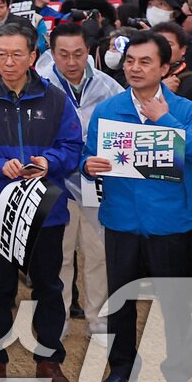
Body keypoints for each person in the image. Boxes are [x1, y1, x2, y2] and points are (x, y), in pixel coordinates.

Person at [82, 31, 192, 382]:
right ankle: (121, 368)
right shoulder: (110, 109)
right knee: (120, 301)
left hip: (170, 224)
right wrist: (87, 164)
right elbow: (88, 153)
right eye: (130, 61)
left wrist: (166, 119)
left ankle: (176, 369)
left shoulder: (186, 110)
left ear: (165, 67)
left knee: (174, 303)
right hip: (121, 220)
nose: (135, 68)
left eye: (145, 62)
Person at [0, 22, 82, 382]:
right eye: (2, 54)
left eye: (17, 54)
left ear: (31, 56)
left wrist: (48, 161)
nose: (9, 62)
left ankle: (49, 358)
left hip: (45, 209)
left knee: (49, 285)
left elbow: (73, 147)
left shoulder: (55, 99)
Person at [36, 20, 124, 338]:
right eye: (64, 54)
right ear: (52, 53)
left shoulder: (108, 86)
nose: (72, 62)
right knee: (57, 253)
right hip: (53, 183)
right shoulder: (40, 87)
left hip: (97, 182)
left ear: (88, 51)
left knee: (98, 252)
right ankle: (56, 317)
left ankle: (98, 318)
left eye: (78, 54)